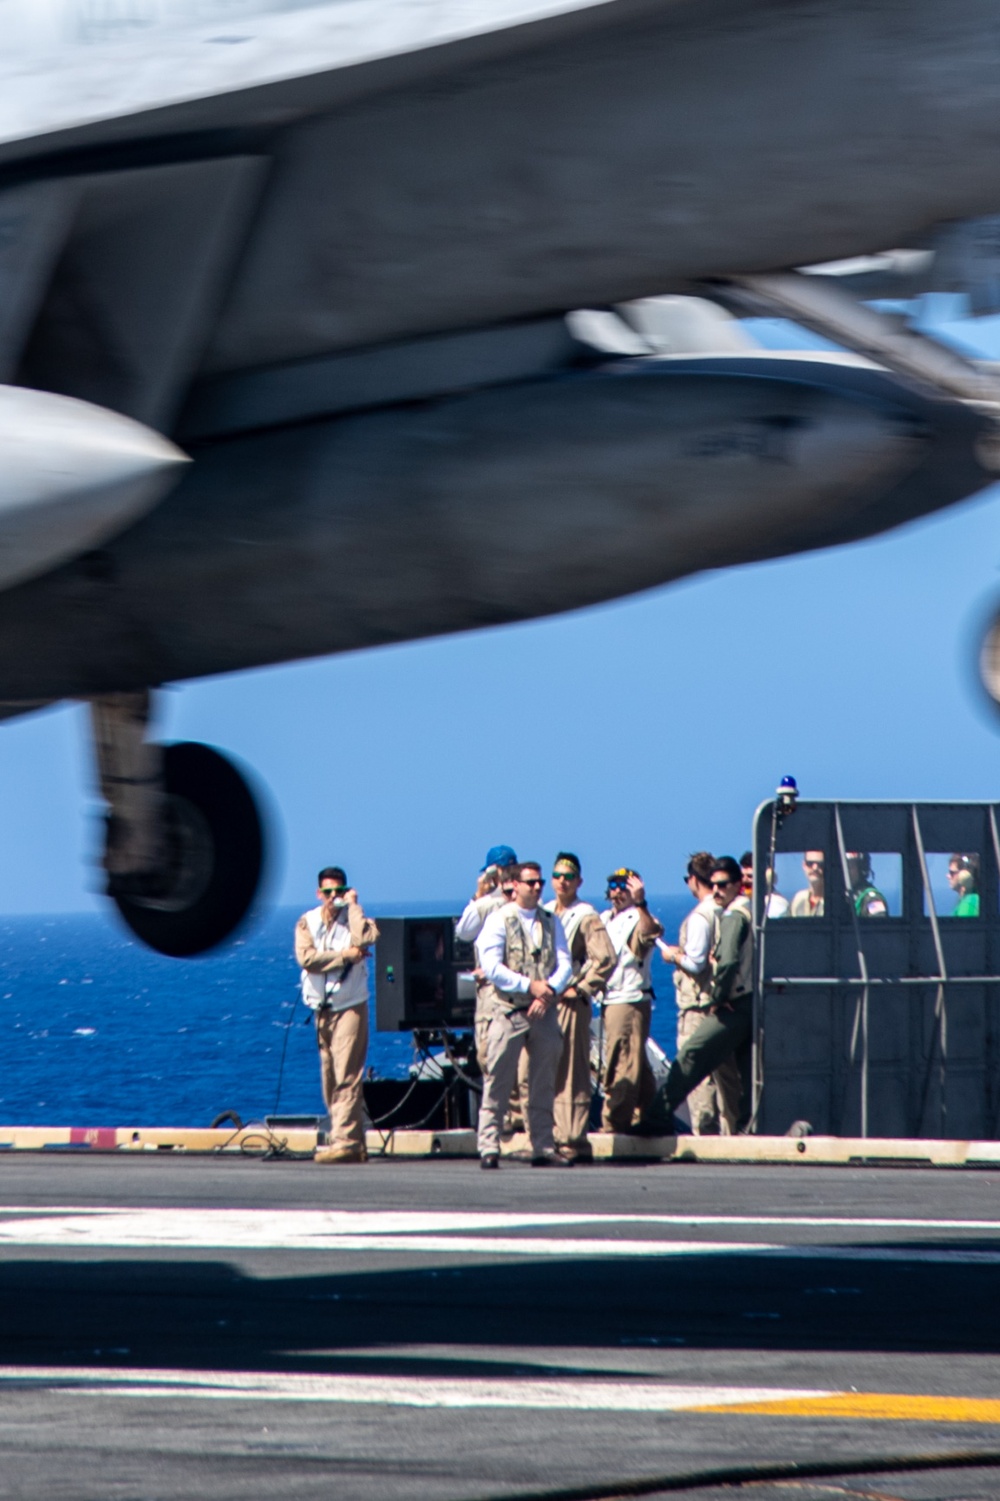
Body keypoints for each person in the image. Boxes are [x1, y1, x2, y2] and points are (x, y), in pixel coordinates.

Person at [647, 855, 754, 1133]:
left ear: (737, 885)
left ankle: (656, 1118)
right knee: (739, 1075)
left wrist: (718, 1000)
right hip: (751, 1001)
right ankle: (744, 1128)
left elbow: (728, 961)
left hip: (732, 1004)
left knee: (690, 1057)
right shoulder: (748, 911)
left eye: (723, 885)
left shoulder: (733, 916)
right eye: (714, 885)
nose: (716, 891)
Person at [476, 862, 573, 1168]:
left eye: (539, 883)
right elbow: (492, 966)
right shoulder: (499, 920)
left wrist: (549, 991)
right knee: (499, 1081)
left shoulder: (551, 921)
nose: (536, 888)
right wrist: (529, 986)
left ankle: (543, 1145)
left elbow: (565, 963)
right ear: (514, 885)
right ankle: (489, 1147)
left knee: (543, 1083)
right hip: (509, 1010)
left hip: (542, 1011)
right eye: (530, 882)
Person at [295, 866, 379, 1165]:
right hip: (322, 1010)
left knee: (347, 1075)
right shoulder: (308, 922)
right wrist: (345, 955)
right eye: (328, 892)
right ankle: (351, 1140)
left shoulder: (355, 919)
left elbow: (367, 937)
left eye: (339, 892)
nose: (334, 898)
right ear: (319, 894)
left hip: (350, 1006)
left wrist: (354, 906)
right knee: (330, 1077)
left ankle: (345, 1142)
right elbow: (307, 959)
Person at [543, 851, 616, 1161]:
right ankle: (549, 1134)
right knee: (543, 1069)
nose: (563, 881)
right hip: (544, 999)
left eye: (569, 876)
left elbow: (605, 957)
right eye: (558, 876)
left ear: (579, 881)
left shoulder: (586, 915)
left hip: (570, 1003)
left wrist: (582, 987)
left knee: (572, 1070)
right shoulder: (545, 912)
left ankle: (572, 1138)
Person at [599, 868, 663, 1133]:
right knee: (637, 1062)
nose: (617, 891)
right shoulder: (604, 919)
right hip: (608, 998)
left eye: (624, 886)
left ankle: (614, 1122)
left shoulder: (639, 917)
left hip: (629, 999)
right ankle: (652, 1115)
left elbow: (650, 933)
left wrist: (641, 903)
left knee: (623, 1061)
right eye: (613, 886)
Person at [454, 844, 519, 1056]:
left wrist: (478, 894)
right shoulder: (529, 903)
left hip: (491, 991)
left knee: (489, 1054)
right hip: (520, 992)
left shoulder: (485, 905)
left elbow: (463, 931)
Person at [740, 850, 789, 919]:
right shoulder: (744, 900)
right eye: (742, 876)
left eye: (750, 876)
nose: (744, 880)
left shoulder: (776, 904)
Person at [845, 852, 888, 916]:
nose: (845, 871)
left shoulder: (872, 899)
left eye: (849, 867)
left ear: (861, 868)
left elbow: (878, 923)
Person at [790, 851, 825, 916]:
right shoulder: (798, 899)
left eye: (821, 864)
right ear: (804, 865)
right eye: (810, 863)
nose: (815, 868)